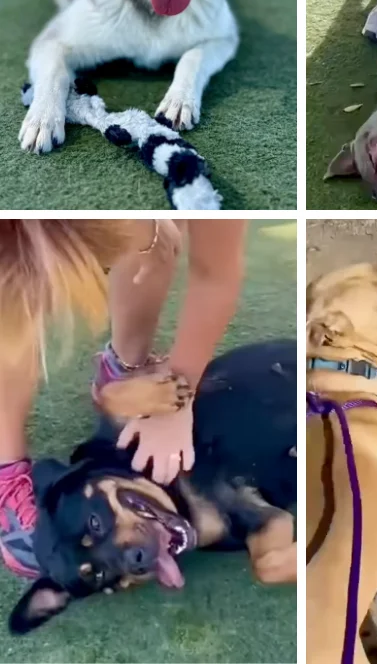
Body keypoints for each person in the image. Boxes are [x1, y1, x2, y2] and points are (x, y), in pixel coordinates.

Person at [0, 219, 246, 577]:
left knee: (152, 244)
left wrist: (177, 397)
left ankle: (126, 364)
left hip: (141, 224)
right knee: (10, 300)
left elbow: (216, 274)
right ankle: (5, 465)